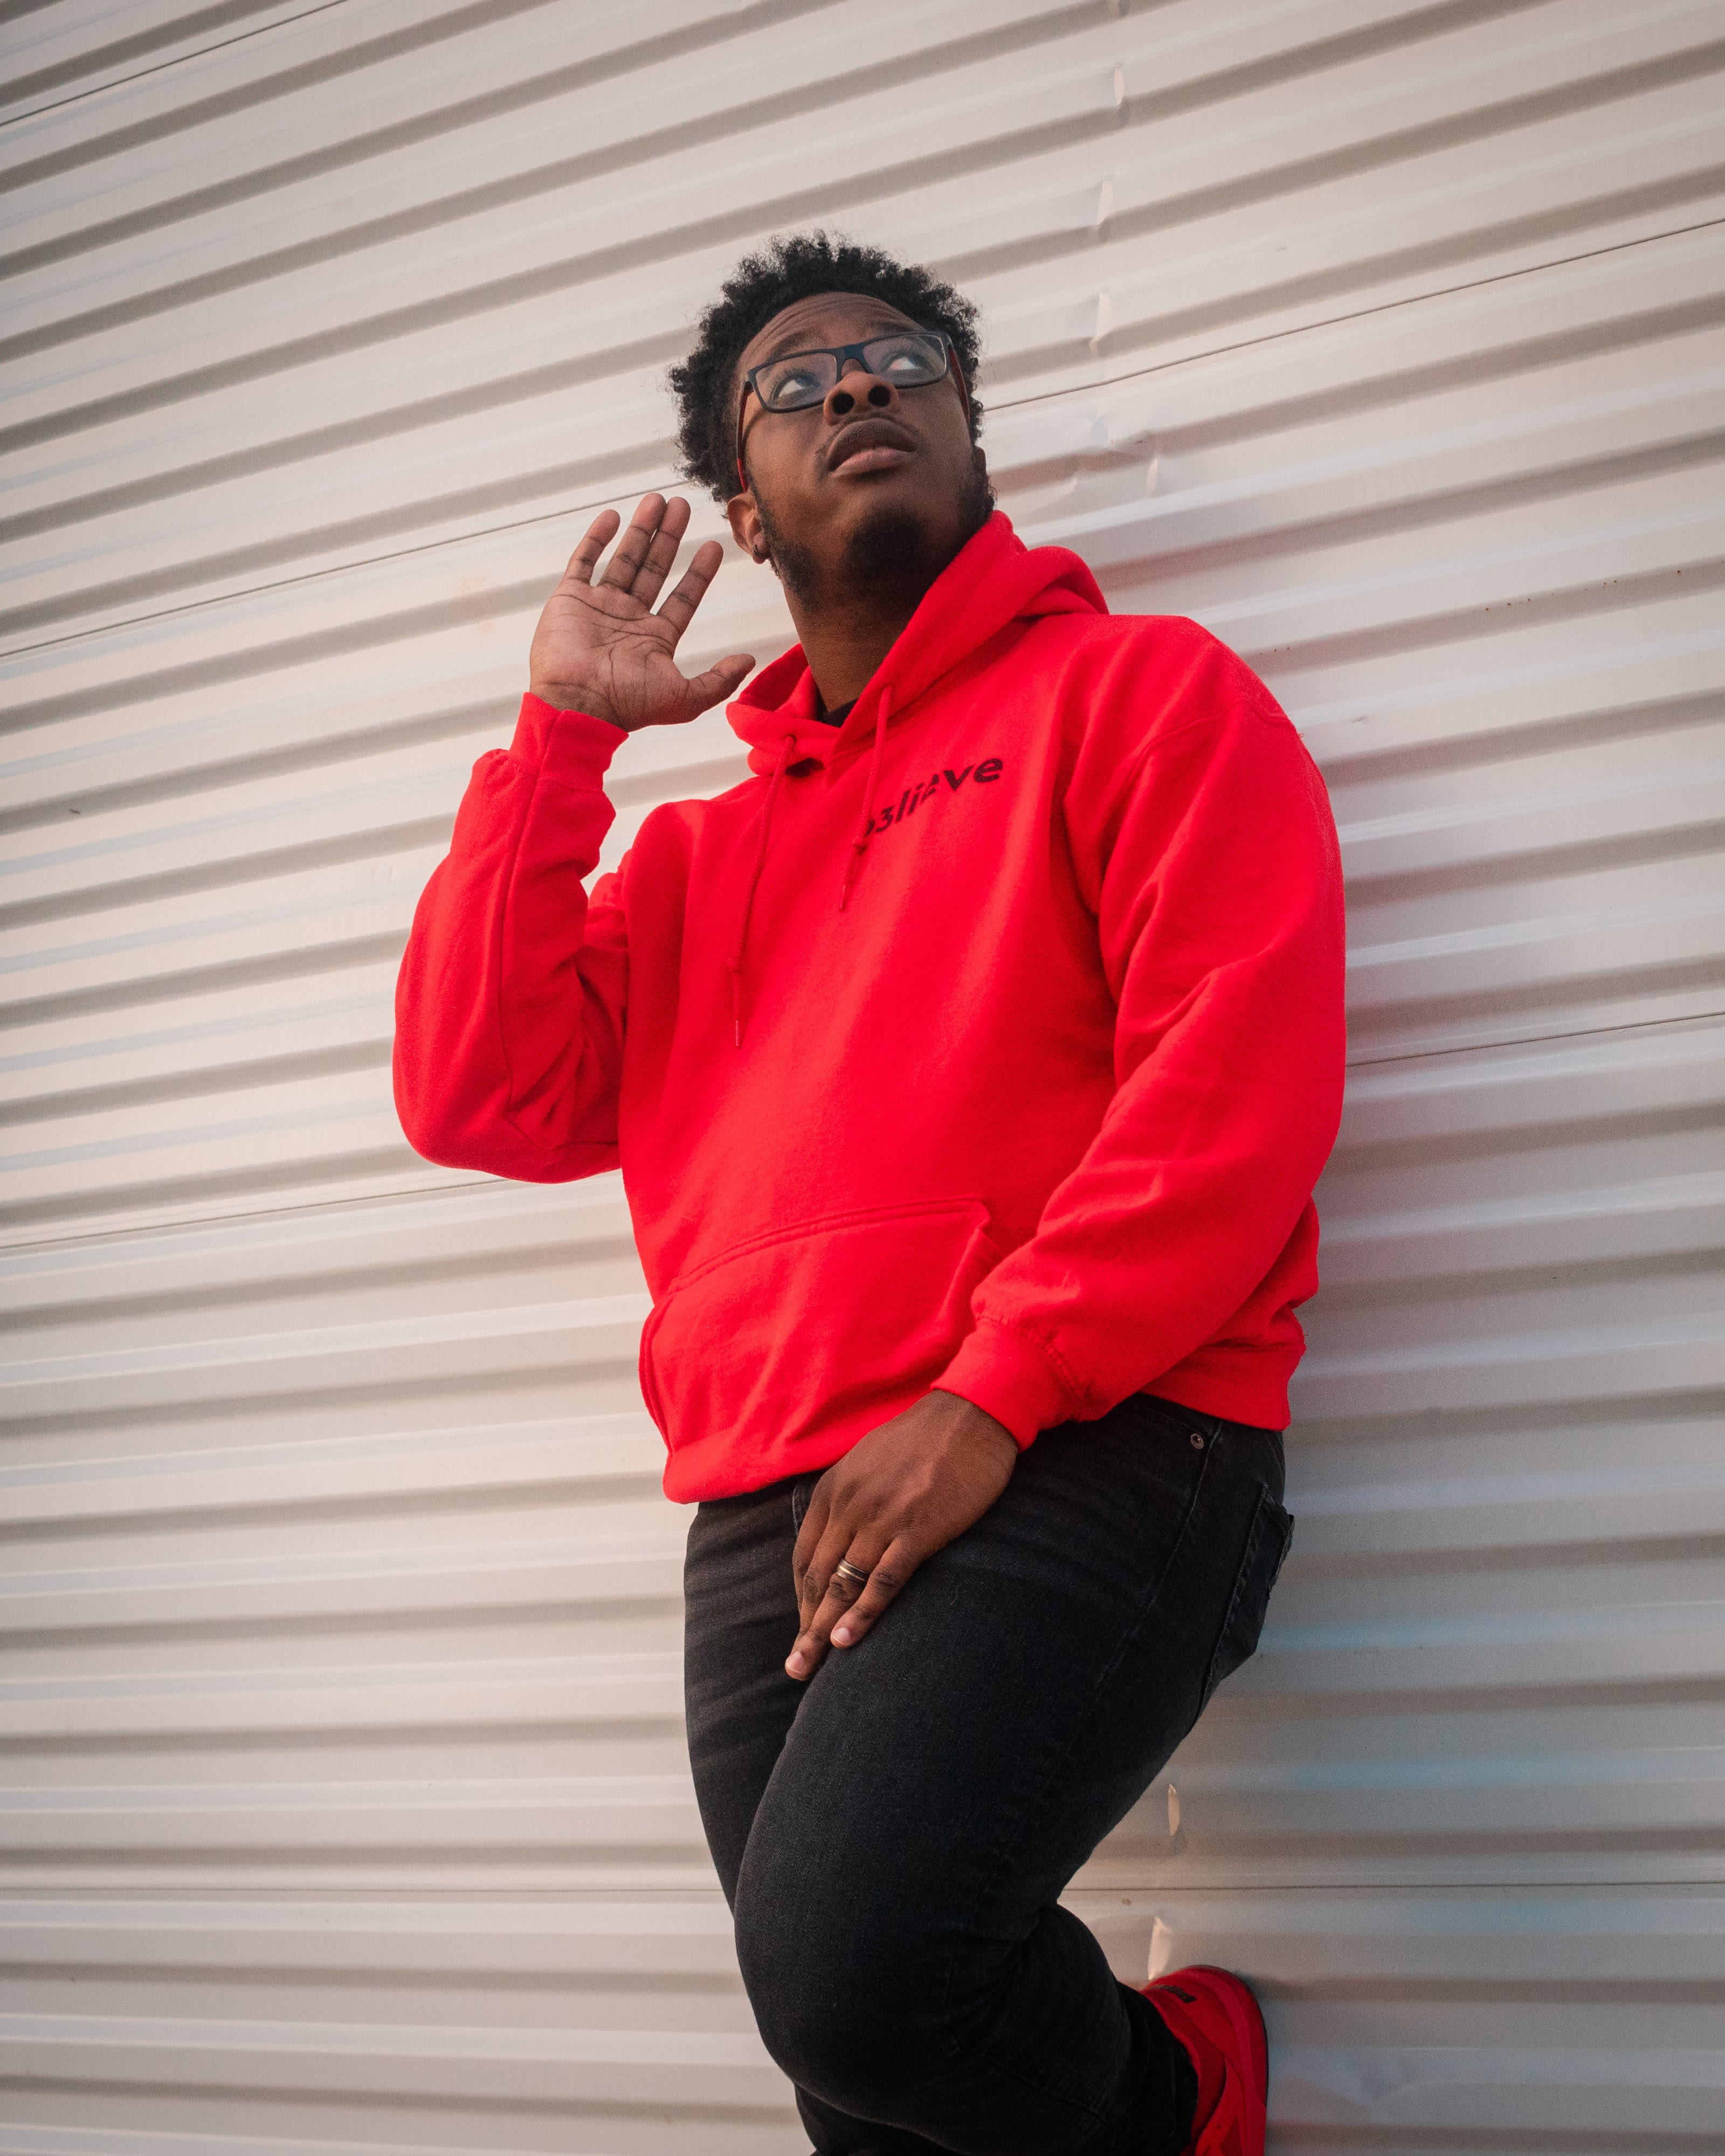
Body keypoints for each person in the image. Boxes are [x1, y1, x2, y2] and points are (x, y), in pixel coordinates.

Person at [394, 230, 1346, 2156]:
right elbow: (477, 1091)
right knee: (866, 2090)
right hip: (771, 1503)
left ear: (966, 426)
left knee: (858, 1974)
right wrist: (563, 742)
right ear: (744, 511)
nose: (855, 387)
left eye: (900, 359)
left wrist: (992, 1392)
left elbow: (1234, 1077)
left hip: (1101, 1434)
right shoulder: (687, 868)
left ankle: (1184, 2095)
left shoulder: (1134, 696)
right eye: (796, 380)